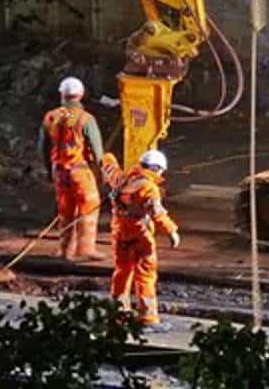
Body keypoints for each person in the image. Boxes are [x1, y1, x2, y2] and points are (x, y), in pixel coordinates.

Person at [101, 149, 179, 328]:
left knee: (122, 273)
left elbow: (109, 168)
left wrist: (106, 156)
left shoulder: (123, 179)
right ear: (157, 168)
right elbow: (157, 214)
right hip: (140, 237)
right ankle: (147, 318)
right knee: (145, 274)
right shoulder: (149, 188)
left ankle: (118, 315)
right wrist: (172, 231)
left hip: (120, 235)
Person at [38, 77, 105, 261]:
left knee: (65, 210)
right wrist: (101, 172)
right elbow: (97, 150)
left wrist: (48, 170)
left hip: (59, 171)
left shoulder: (51, 117)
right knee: (88, 208)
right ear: (81, 95)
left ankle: (65, 250)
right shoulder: (86, 119)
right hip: (80, 170)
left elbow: (42, 147)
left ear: (62, 94)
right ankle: (85, 250)